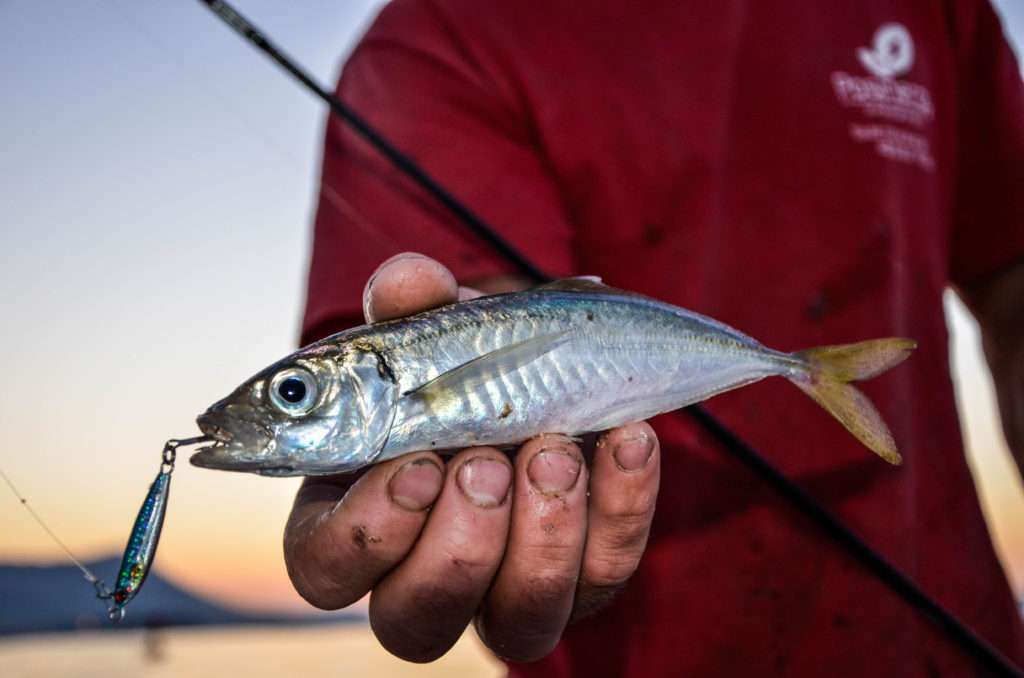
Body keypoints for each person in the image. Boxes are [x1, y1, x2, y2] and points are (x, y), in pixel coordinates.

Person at [285, 1, 1024, 675]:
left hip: (957, 641)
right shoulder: (436, 36)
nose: (296, 400)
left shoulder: (939, 12)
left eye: (296, 393)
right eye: (296, 392)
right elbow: (489, 312)